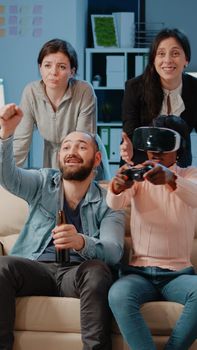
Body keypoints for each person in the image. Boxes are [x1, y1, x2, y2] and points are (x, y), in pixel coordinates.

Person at [0, 103, 125, 350]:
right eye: (66, 146)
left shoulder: (109, 201)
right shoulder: (42, 182)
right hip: (37, 268)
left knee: (98, 270)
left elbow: (114, 251)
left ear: (97, 158)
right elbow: (7, 176)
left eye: (81, 146)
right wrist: (5, 135)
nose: (71, 151)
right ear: (59, 157)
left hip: (76, 274)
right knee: (2, 265)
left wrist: (81, 241)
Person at [106, 116, 197, 350]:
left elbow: (194, 195)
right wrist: (117, 187)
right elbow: (114, 204)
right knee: (118, 294)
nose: (156, 151)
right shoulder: (137, 176)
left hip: (178, 274)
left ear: (179, 148)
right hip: (139, 272)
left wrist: (171, 178)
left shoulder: (189, 175)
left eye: (164, 143)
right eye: (151, 144)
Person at [13, 38, 110, 180]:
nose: (53, 72)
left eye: (62, 67)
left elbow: (82, 141)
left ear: (72, 71)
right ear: (40, 68)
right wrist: (5, 174)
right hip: (52, 158)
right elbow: (20, 144)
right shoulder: (31, 92)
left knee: (86, 200)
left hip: (84, 158)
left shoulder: (84, 91)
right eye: (47, 65)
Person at [121, 27, 197, 167]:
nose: (167, 60)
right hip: (141, 163)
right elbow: (130, 135)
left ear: (186, 59)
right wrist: (127, 150)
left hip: (180, 167)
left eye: (175, 53)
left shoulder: (194, 88)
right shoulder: (134, 87)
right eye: (161, 54)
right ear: (153, 60)